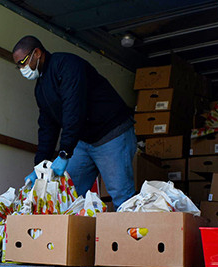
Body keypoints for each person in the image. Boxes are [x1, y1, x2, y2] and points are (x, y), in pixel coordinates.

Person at [13, 35, 137, 208]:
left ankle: (127, 233)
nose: (21, 68)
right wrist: (39, 166)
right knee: (68, 196)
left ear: (37, 53)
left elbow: (74, 109)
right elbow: (47, 127)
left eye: (23, 62)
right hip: (83, 140)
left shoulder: (67, 65)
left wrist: (64, 152)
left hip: (111, 132)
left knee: (121, 196)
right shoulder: (41, 88)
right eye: (18, 65)